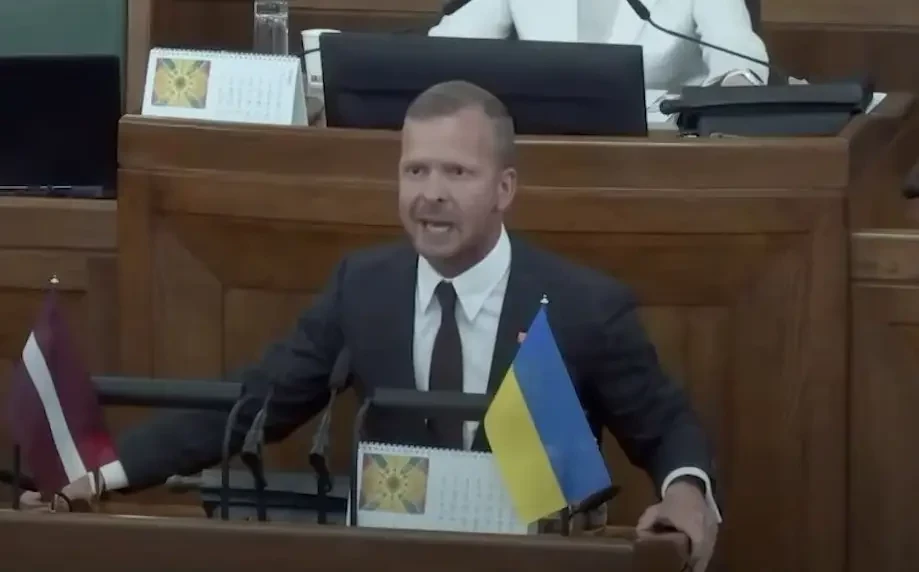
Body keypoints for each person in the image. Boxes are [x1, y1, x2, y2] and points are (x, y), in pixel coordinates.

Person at [22, 81, 720, 570]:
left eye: (457, 172)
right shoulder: (364, 288)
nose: (431, 194)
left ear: (504, 188)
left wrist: (686, 495)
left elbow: (666, 429)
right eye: (415, 170)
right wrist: (101, 478)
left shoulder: (580, 305)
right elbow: (253, 405)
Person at [430, 0, 769, 91]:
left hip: (663, 154)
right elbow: (444, 52)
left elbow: (735, 51)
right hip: (547, 149)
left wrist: (737, 89)